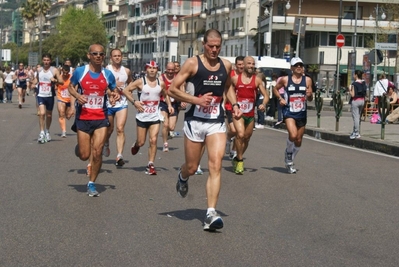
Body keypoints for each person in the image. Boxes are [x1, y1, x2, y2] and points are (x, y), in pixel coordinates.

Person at [168, 29, 242, 231]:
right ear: (203, 44)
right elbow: (172, 89)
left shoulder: (226, 65)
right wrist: (196, 100)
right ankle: (182, 176)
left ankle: (210, 213)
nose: (215, 50)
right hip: (194, 121)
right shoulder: (193, 63)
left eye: (218, 46)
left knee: (215, 164)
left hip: (215, 122)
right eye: (211, 46)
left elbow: (228, 88)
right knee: (192, 167)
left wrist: (234, 105)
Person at [67, 44, 119, 197]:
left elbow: (112, 89)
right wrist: (77, 97)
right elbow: (70, 87)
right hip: (83, 117)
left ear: (104, 56)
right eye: (95, 53)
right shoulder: (80, 72)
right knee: (84, 155)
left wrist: (113, 95)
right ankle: (80, 149)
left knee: (97, 152)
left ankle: (91, 183)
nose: (98, 56)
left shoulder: (107, 74)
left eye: (101, 54)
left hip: (100, 117)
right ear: (88, 55)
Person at [123, 60, 172, 175]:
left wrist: (169, 105)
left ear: (157, 70)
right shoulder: (140, 82)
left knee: (153, 140)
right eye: (150, 68)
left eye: (154, 68)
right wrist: (134, 102)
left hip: (155, 116)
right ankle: (136, 145)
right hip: (142, 116)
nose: (152, 70)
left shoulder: (161, 83)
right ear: (146, 69)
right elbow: (126, 90)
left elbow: (166, 95)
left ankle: (150, 164)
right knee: (141, 142)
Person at [273, 57, 313, 174]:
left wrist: (310, 95)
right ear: (292, 68)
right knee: (293, 134)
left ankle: (290, 157)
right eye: (296, 65)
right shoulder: (285, 79)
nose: (299, 67)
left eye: (301, 65)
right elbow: (275, 89)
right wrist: (280, 98)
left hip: (302, 112)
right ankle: (289, 156)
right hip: (289, 112)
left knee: (299, 140)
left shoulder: (307, 80)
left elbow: (310, 98)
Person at [231, 56, 268, 174]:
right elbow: (228, 91)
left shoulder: (257, 80)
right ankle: (240, 161)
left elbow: (266, 95)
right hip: (238, 113)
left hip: (251, 113)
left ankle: (237, 156)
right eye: (249, 63)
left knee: (247, 138)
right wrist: (231, 104)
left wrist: (263, 104)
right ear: (244, 65)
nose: (251, 66)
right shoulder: (235, 78)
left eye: (253, 64)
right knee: (240, 134)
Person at [103, 48, 132, 167]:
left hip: (122, 103)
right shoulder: (106, 70)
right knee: (109, 130)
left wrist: (125, 89)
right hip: (109, 104)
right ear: (111, 58)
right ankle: (106, 143)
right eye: (115, 56)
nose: (117, 58)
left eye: (119, 56)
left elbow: (131, 83)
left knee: (120, 129)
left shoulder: (126, 71)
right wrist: (111, 92)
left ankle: (119, 155)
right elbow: (102, 86)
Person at [31, 54, 64, 143]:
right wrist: (32, 83)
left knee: (49, 115)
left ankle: (47, 131)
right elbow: (36, 80)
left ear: (50, 61)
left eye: (47, 60)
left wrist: (55, 80)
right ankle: (41, 132)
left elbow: (61, 82)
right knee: (42, 113)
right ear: (42, 61)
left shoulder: (54, 70)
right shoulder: (39, 70)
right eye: (44, 60)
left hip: (49, 95)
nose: (46, 62)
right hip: (41, 94)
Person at [159, 62, 181, 152]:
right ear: (166, 69)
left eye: (172, 70)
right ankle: (165, 143)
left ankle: (167, 133)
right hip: (163, 103)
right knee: (165, 124)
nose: (170, 72)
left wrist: (183, 100)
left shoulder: (178, 78)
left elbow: (182, 89)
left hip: (174, 104)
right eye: (169, 70)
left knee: (171, 127)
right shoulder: (161, 78)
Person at [225, 56, 244, 159]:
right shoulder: (231, 75)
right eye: (239, 64)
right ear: (236, 65)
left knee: (240, 132)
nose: (241, 66)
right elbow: (226, 90)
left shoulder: (247, 76)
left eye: (243, 64)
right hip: (230, 106)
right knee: (233, 130)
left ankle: (234, 150)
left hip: (243, 108)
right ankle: (228, 138)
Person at [349, 70, 366, 139]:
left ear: (356, 75)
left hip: (356, 101)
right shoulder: (363, 83)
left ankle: (356, 133)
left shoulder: (354, 84)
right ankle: (355, 131)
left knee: (355, 117)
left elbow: (353, 95)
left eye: (354, 74)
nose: (353, 76)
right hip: (362, 100)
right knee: (358, 117)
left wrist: (349, 89)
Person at [56, 64, 72, 137]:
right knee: (61, 113)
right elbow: (55, 85)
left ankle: (66, 116)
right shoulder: (59, 77)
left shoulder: (71, 77)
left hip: (69, 98)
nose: (65, 74)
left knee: (68, 116)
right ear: (62, 71)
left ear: (68, 72)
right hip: (60, 97)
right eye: (64, 72)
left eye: (66, 72)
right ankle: (63, 131)